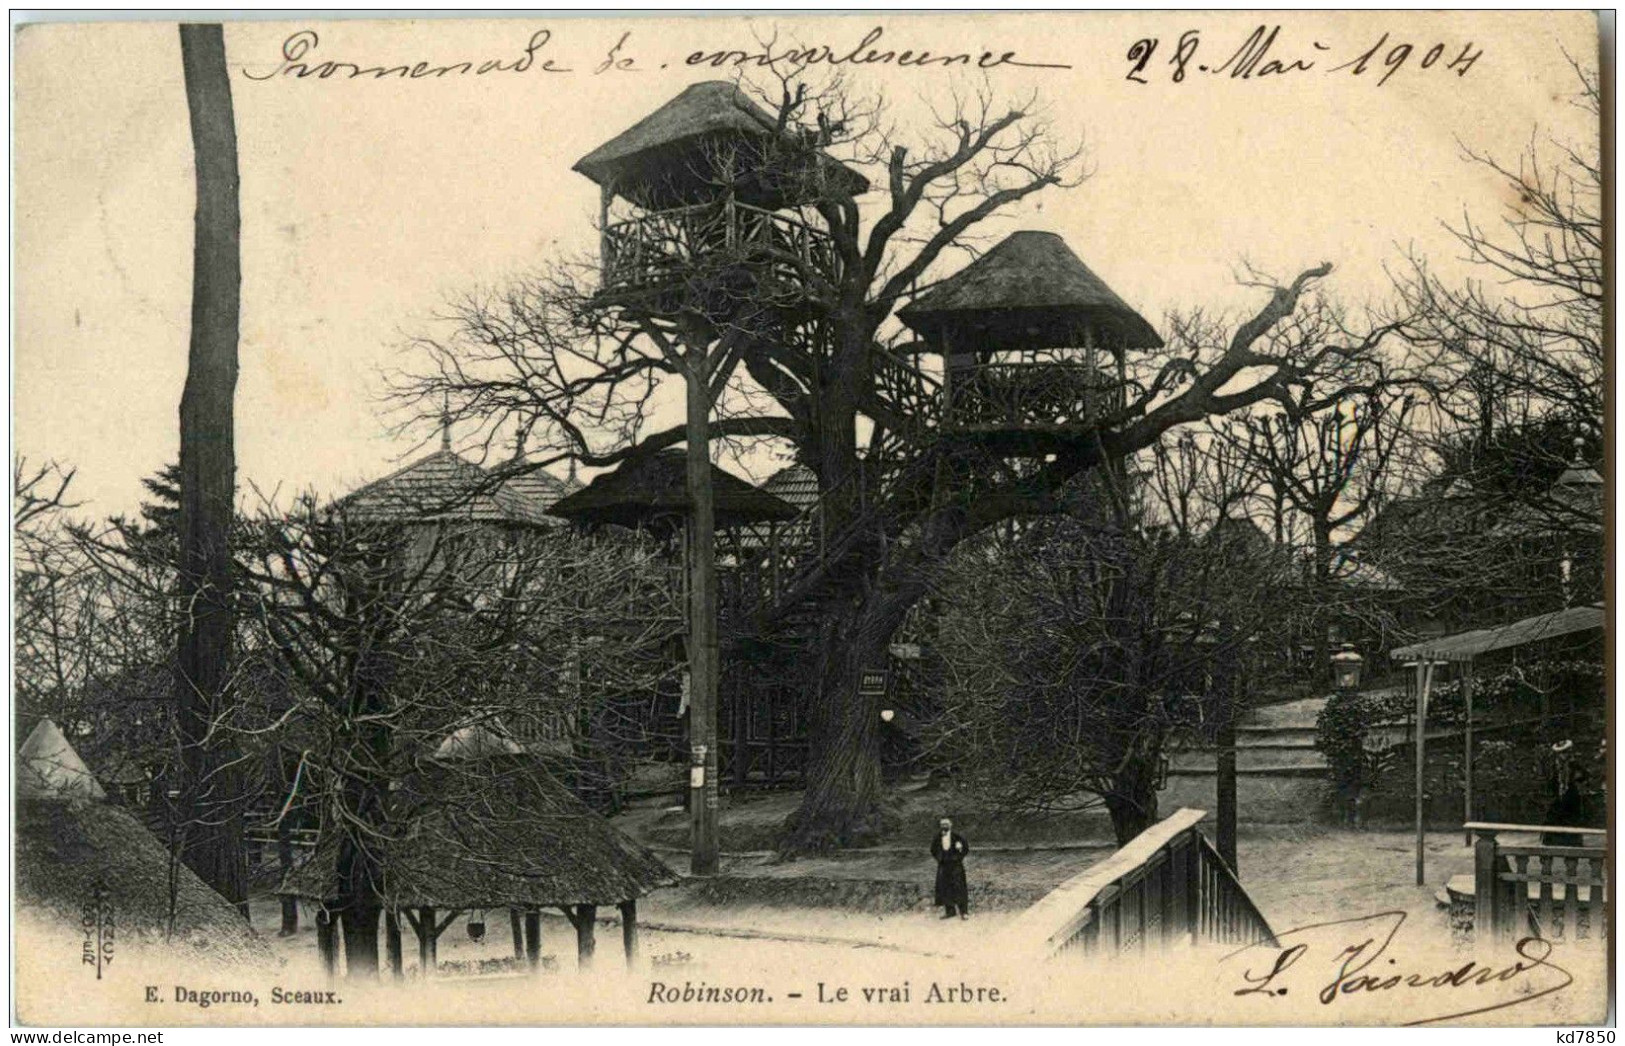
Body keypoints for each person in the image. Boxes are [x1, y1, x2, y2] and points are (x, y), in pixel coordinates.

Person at [930, 817, 970, 920]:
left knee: (959, 886)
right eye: (942, 824)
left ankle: (964, 912)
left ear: (950, 825)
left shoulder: (957, 837)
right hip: (944, 866)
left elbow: (966, 848)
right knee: (945, 887)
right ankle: (950, 911)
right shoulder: (938, 837)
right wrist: (939, 858)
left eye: (946, 824)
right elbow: (933, 849)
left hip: (956, 866)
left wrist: (959, 857)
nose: (944, 826)